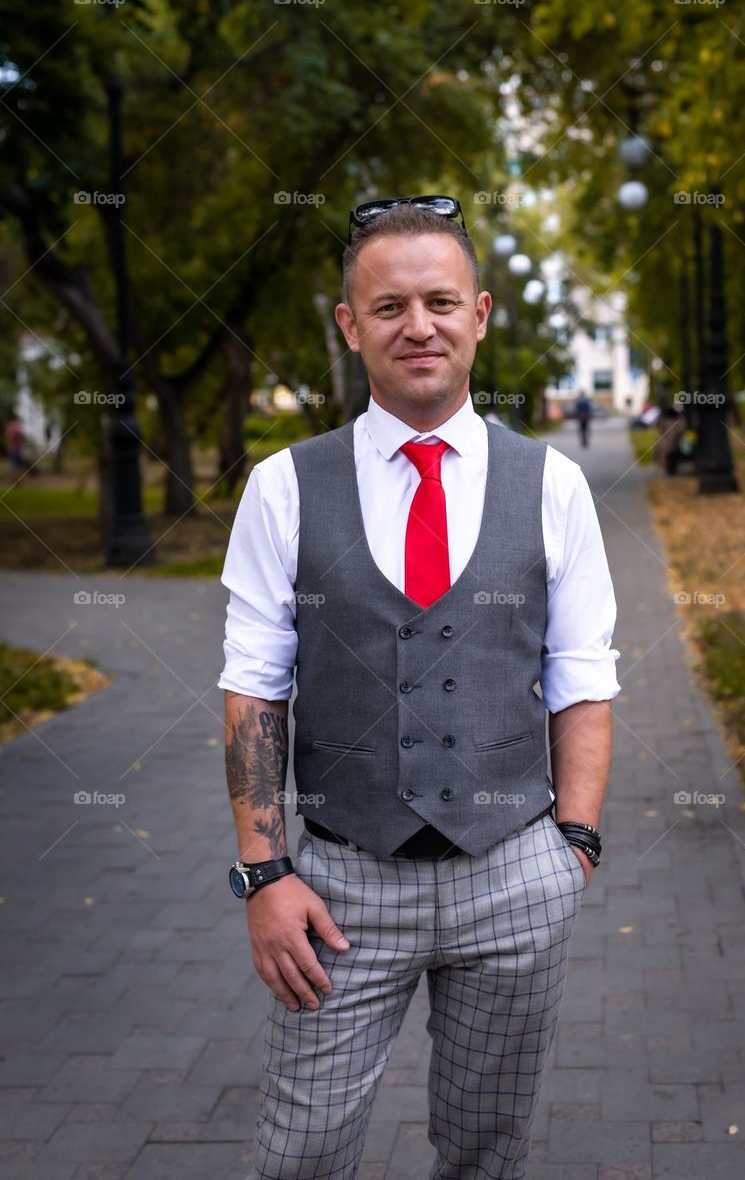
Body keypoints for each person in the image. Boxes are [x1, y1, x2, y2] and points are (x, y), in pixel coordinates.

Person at [218, 195, 621, 1180]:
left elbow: (582, 678)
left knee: (484, 1149)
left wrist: (571, 844)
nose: (419, 325)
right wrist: (264, 875)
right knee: (297, 1150)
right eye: (388, 306)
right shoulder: (282, 485)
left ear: (479, 313)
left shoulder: (553, 484)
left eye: (439, 300)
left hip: (515, 874)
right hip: (339, 885)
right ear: (350, 325)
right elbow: (253, 691)